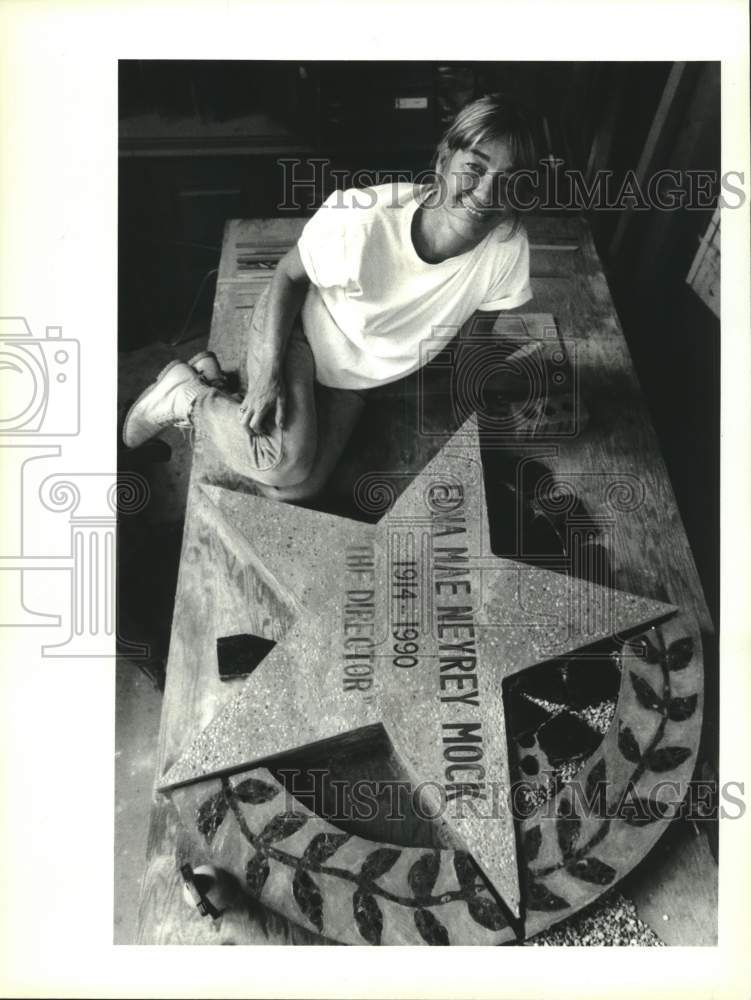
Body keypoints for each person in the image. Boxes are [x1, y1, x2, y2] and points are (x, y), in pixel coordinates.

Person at [123, 93, 536, 501]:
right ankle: (189, 396)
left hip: (357, 375)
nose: (486, 193)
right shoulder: (363, 219)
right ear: (445, 159)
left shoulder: (507, 248)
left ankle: (212, 378)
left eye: (508, 179)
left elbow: (474, 346)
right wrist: (268, 376)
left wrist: (517, 394)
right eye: (474, 168)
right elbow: (287, 275)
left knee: (296, 490)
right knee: (282, 462)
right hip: (300, 331)